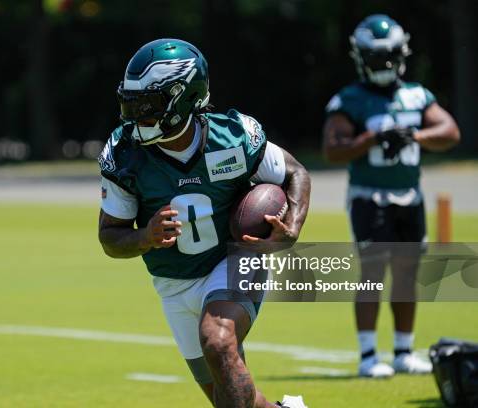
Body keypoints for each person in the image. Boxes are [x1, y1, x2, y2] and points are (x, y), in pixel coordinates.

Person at [98, 38, 311, 407]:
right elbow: (109, 237)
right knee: (229, 394)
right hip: (173, 283)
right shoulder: (126, 154)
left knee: (218, 340)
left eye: (147, 106)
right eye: (131, 104)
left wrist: (290, 227)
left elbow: (295, 173)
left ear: (183, 99)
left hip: (233, 257)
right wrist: (145, 237)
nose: (135, 117)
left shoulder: (233, 135)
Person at [322, 14, 460, 378]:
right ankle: (368, 354)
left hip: (409, 195)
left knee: (406, 272)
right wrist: (371, 139)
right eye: (375, 57)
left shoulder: (416, 94)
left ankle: (402, 350)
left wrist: (414, 136)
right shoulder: (350, 99)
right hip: (370, 196)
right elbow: (332, 149)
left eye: (388, 56)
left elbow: (450, 132)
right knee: (372, 272)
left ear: (401, 54)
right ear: (361, 57)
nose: (383, 64)